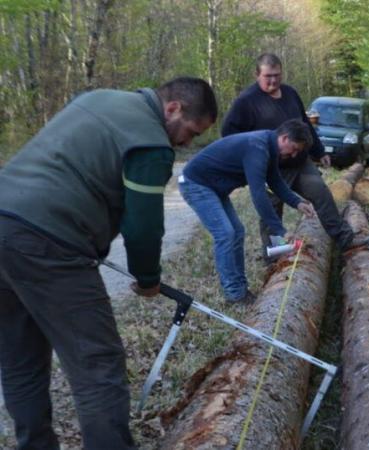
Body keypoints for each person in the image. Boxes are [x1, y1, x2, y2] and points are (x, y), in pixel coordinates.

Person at [0, 77, 217, 449]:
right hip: (49, 241)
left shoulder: (98, 98)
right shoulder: (151, 141)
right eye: (190, 132)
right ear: (173, 108)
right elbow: (144, 226)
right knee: (98, 363)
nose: (186, 143)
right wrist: (148, 278)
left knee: (21, 358)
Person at [220, 53, 369, 261]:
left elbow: (305, 124)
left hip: (301, 163)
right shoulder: (246, 102)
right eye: (268, 76)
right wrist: (246, 162)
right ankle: (273, 258)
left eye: (277, 75)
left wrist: (319, 151)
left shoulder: (291, 94)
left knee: (321, 194)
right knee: (271, 214)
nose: (273, 80)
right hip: (270, 170)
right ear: (257, 74)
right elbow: (229, 134)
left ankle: (345, 239)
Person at [179, 119, 315, 303]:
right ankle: (234, 294)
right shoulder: (257, 148)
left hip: (213, 187)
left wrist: (297, 202)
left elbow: (275, 182)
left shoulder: (269, 147)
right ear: (284, 138)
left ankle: (241, 290)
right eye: (295, 148)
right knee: (226, 234)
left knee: (237, 232)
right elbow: (258, 193)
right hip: (196, 184)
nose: (293, 155)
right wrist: (280, 230)